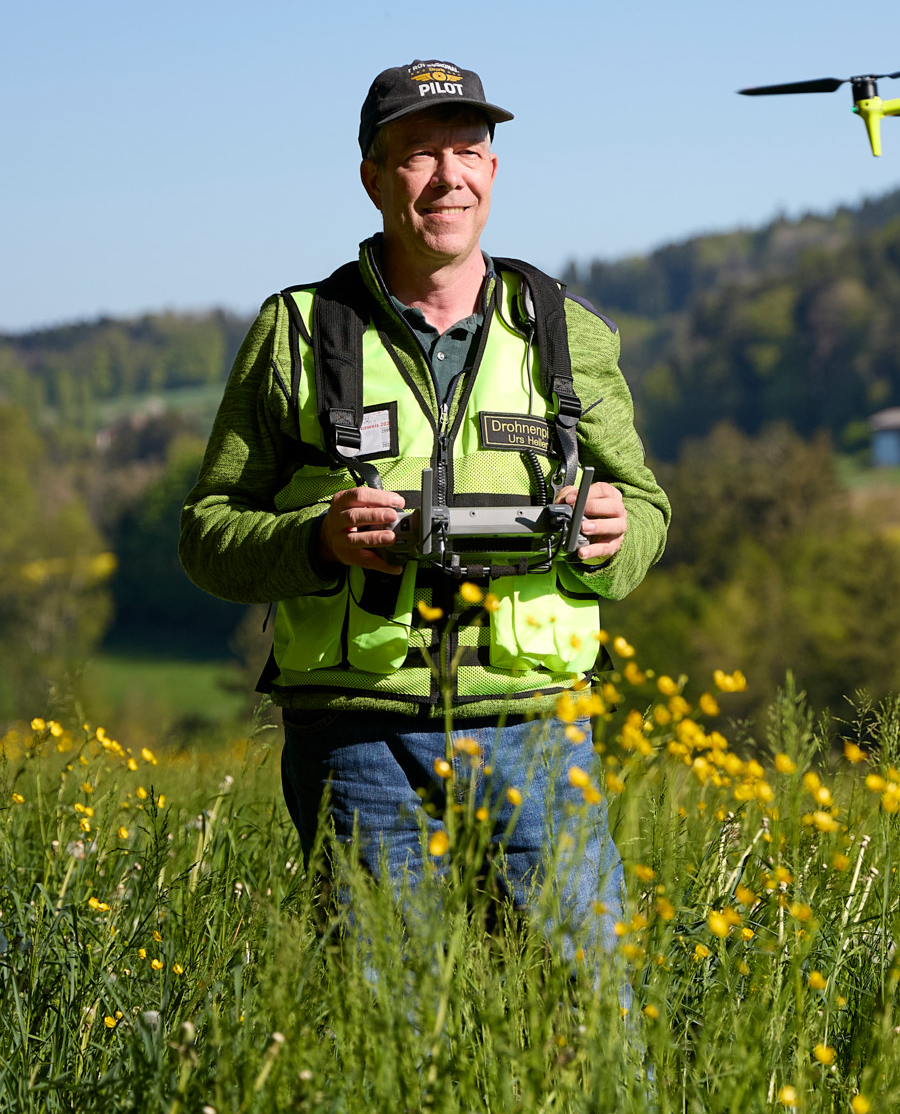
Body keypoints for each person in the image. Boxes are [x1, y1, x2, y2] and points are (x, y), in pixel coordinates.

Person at [179, 58, 669, 969]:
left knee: (591, 1017)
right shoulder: (296, 331)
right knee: (386, 1032)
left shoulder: (566, 330)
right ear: (371, 175)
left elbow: (644, 508)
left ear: (493, 169)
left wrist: (610, 535)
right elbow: (209, 534)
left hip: (535, 730)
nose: (450, 176)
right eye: (418, 155)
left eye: (469, 150)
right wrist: (314, 539)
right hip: (356, 740)